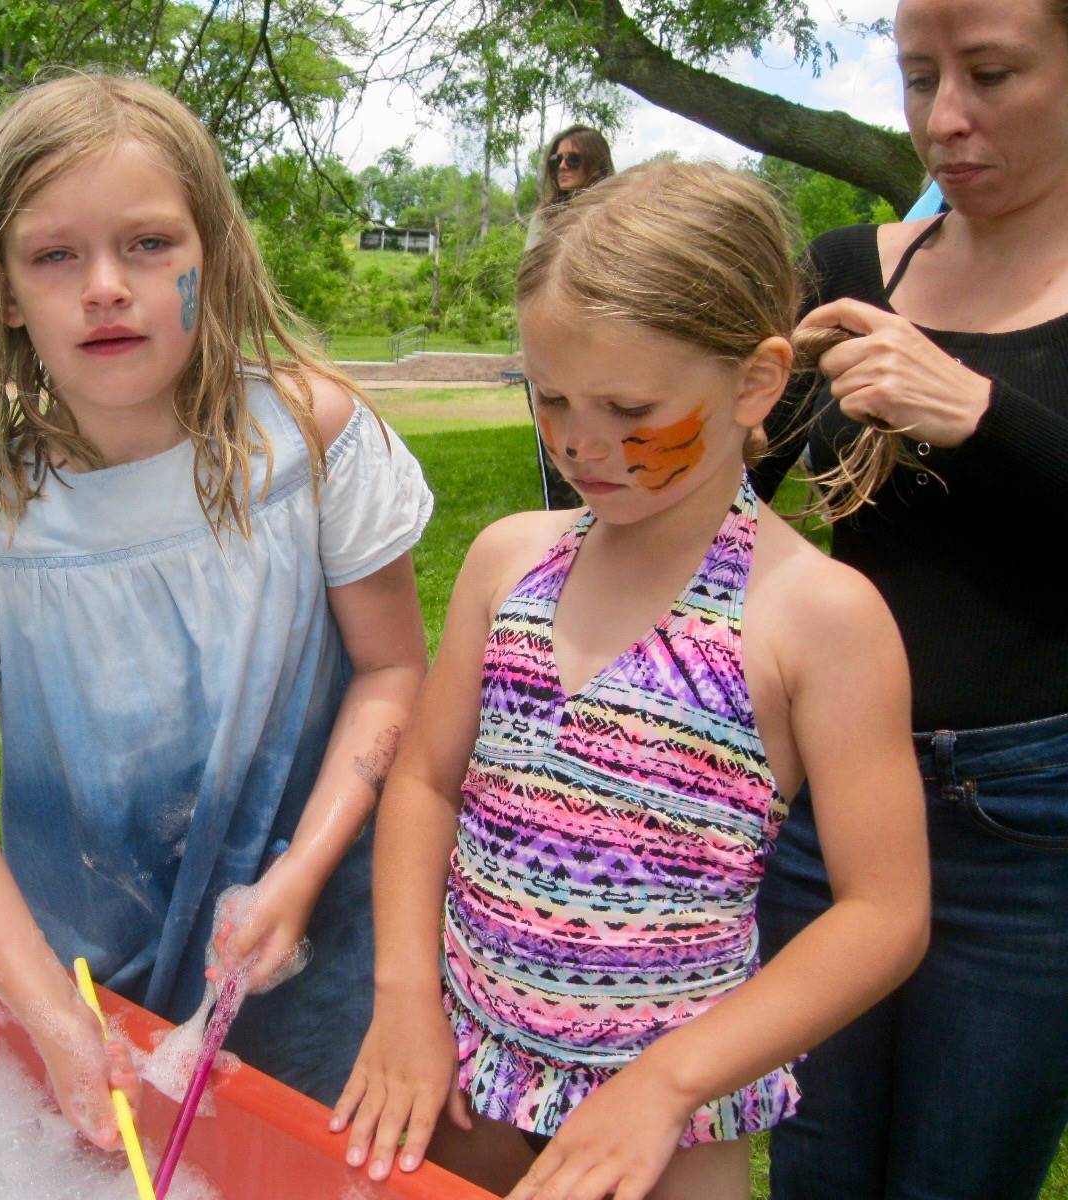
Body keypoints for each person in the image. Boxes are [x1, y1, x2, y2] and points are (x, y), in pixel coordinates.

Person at [329, 161, 930, 1200]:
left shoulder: (816, 617)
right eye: (551, 396)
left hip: (665, 1127)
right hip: (466, 1078)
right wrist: (402, 999)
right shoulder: (508, 560)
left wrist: (665, 1084)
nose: (580, 442)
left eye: (628, 406)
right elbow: (426, 782)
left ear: (754, 381)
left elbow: (882, 913)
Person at [0, 73, 433, 1151]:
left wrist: (298, 872)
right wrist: (50, 1015)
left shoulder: (309, 440)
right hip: (88, 982)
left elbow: (392, 672)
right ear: (1, 289)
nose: (103, 288)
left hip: (321, 955)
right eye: (54, 256)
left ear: (208, 256)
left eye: (146, 245)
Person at [751, 1, 1068, 1196]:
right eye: (918, 76)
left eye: (990, 74)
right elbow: (707, 499)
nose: (945, 120)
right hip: (831, 797)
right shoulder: (849, 271)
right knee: (817, 1163)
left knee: (959, 1173)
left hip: (1031, 829)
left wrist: (978, 415)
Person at [525, 126, 615, 512]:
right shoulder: (543, 220)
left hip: (600, 349)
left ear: (595, 163)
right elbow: (529, 286)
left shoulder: (616, 212)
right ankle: (561, 527)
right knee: (555, 449)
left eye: (573, 159)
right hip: (550, 350)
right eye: (556, 159)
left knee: (602, 444)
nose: (562, 166)